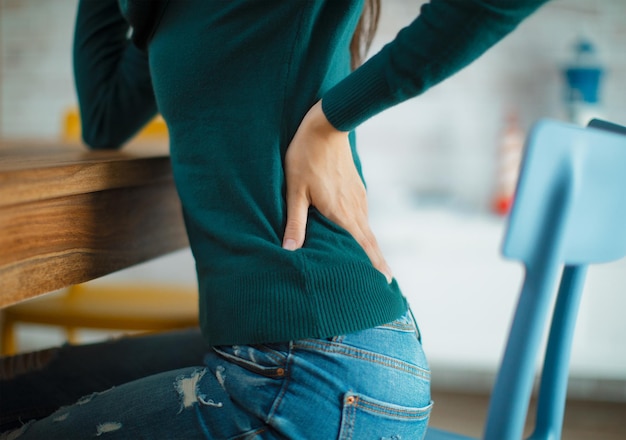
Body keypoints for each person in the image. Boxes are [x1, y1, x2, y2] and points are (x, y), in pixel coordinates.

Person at [0, 0, 549, 438]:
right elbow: (104, 116)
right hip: (278, 354)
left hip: (311, 372)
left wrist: (333, 117)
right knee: (24, 387)